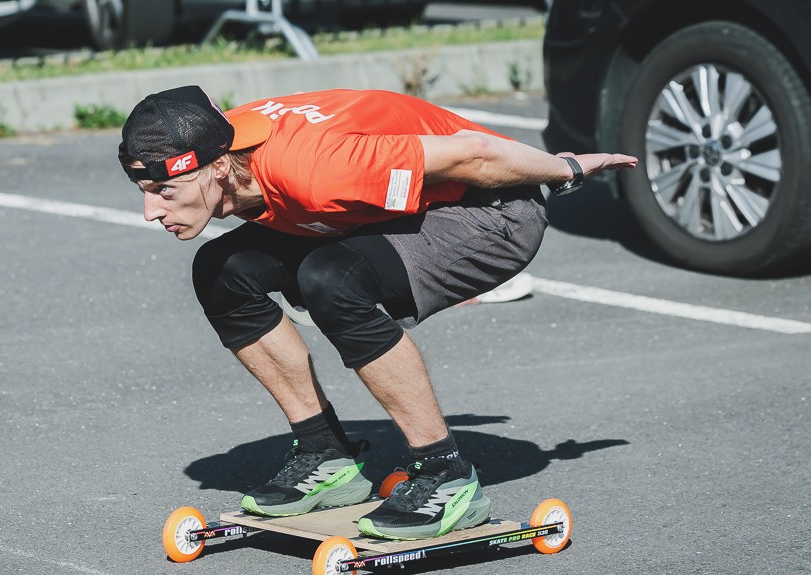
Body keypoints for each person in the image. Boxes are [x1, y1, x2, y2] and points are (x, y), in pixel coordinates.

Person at [118, 86, 636, 540]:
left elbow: (476, 155)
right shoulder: (213, 139)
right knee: (221, 272)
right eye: (145, 192)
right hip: (392, 200)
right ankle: (325, 455)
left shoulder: (315, 168)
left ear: (218, 168)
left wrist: (568, 169)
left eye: (165, 191)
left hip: (491, 207)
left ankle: (446, 473)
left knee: (333, 280)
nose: (151, 212)